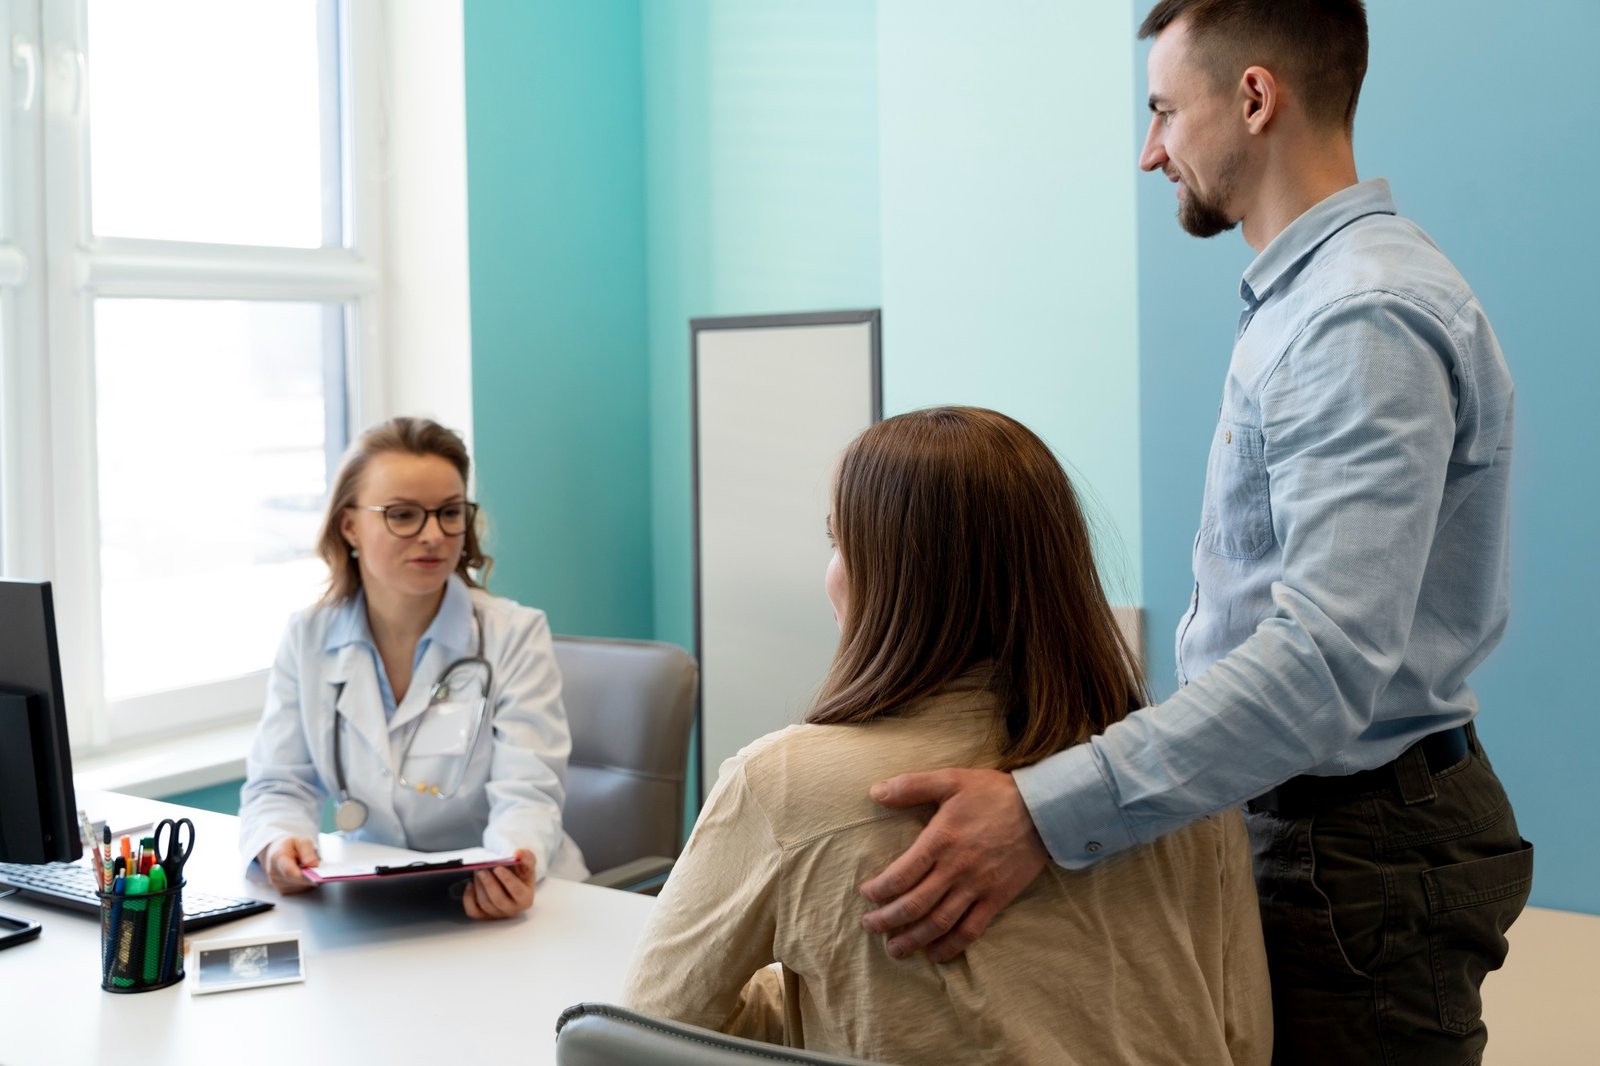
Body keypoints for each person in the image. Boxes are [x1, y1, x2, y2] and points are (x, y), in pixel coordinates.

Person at [856, 3, 1533, 1063]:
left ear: (1255, 98)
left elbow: (1323, 663)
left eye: (1164, 110)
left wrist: (1043, 812)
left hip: (1354, 856)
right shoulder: (1310, 302)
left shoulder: (1357, 318)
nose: (1148, 151)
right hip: (1311, 830)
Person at [623, 407, 1271, 1065]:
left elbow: (645, 1034)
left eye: (838, 543)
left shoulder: (782, 788)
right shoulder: (1189, 783)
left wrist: (818, 991)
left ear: (889, 579)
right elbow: (1243, 1040)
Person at [239, 416, 587, 920]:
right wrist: (279, 842)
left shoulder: (514, 635)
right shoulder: (308, 637)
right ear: (350, 524)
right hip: (372, 903)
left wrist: (512, 861)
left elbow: (528, 792)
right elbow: (278, 783)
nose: (433, 535)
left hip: (500, 900)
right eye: (402, 515)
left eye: (449, 513)